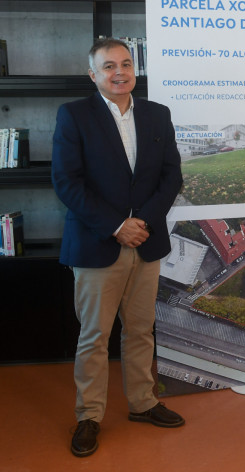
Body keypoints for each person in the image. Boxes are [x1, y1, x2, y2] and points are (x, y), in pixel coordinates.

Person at [52, 38, 185, 457]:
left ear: (135, 70)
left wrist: (141, 222)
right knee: (94, 337)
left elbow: (171, 176)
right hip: (97, 244)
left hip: (146, 242)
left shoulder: (157, 115)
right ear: (93, 75)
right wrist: (116, 226)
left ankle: (143, 404)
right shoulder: (74, 116)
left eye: (126, 64)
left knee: (141, 330)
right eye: (109, 66)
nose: (120, 72)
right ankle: (88, 416)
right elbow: (66, 182)